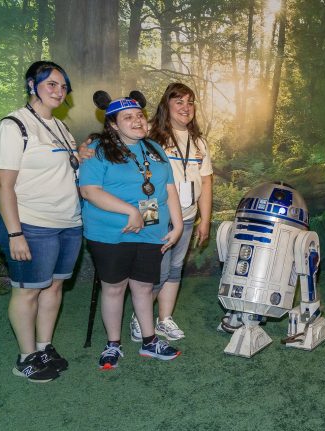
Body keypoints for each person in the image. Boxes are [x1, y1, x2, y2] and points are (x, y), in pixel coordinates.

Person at [0, 61, 81, 382]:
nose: (59, 91)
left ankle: (43, 347)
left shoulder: (59, 126)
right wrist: (15, 233)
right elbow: (4, 185)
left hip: (68, 222)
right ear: (32, 85)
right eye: (51, 84)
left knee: (54, 287)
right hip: (30, 224)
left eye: (63, 85)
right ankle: (26, 358)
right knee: (27, 291)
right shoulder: (13, 126)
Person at [79, 91, 183, 370]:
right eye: (128, 117)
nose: (137, 121)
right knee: (114, 288)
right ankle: (113, 344)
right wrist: (130, 211)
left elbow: (168, 188)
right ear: (113, 124)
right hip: (111, 233)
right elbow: (89, 191)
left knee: (144, 286)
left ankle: (149, 341)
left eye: (139, 115)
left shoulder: (154, 149)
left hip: (151, 230)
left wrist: (179, 223)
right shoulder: (97, 150)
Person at [128, 82, 213, 342]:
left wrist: (205, 220)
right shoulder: (149, 134)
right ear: (167, 105)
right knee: (156, 271)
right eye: (179, 102)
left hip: (187, 216)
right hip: (156, 214)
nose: (185, 108)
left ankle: (164, 319)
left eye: (190, 102)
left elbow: (206, 181)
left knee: (175, 270)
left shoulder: (199, 142)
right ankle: (139, 319)